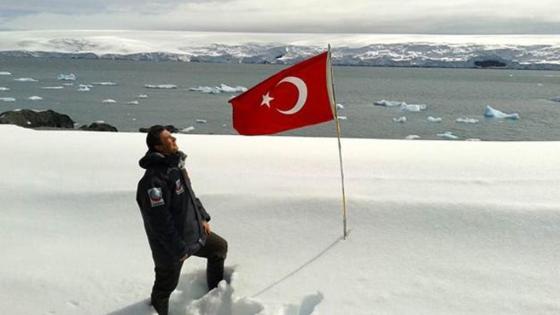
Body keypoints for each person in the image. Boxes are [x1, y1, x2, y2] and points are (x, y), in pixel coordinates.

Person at [136, 125, 228, 315]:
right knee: (164, 288)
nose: (175, 140)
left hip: (194, 234)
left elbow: (190, 195)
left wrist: (202, 217)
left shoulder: (175, 167)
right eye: (170, 139)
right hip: (171, 249)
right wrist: (178, 249)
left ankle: (214, 297)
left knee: (219, 247)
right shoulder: (153, 181)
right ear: (159, 147)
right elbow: (159, 222)